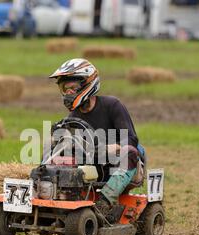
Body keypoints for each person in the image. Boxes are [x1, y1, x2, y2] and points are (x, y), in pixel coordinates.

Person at [49, 58, 145, 223]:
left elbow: (131, 139)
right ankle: (54, 201)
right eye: (65, 89)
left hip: (127, 168)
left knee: (129, 152)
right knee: (59, 156)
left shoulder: (112, 105)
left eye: (73, 88)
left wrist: (111, 147)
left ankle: (103, 203)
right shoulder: (73, 117)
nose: (69, 93)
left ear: (88, 84)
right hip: (96, 168)